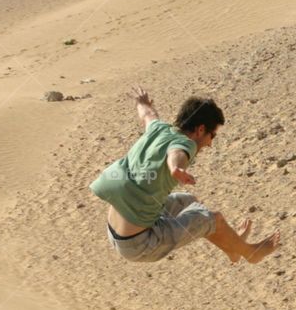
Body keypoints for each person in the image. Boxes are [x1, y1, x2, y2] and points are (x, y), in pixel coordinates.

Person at [90, 87, 280, 264]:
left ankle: (232, 249)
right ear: (200, 130)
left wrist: (142, 103)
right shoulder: (187, 143)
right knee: (213, 219)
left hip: (115, 231)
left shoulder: (159, 129)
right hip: (140, 245)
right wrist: (176, 168)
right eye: (212, 135)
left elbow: (147, 115)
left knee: (189, 201)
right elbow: (176, 153)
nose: (210, 143)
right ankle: (251, 253)